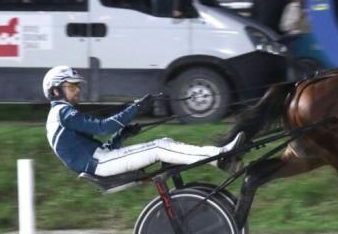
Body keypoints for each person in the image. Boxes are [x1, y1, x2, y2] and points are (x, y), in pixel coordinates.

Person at [43, 65, 244, 177]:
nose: (77, 90)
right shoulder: (63, 113)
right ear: (55, 90)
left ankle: (219, 160)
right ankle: (220, 156)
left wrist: (123, 134)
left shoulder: (62, 115)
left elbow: (101, 147)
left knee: (165, 142)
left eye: (77, 86)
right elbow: (104, 127)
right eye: (72, 87)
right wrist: (136, 108)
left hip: (101, 161)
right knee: (159, 147)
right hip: (100, 165)